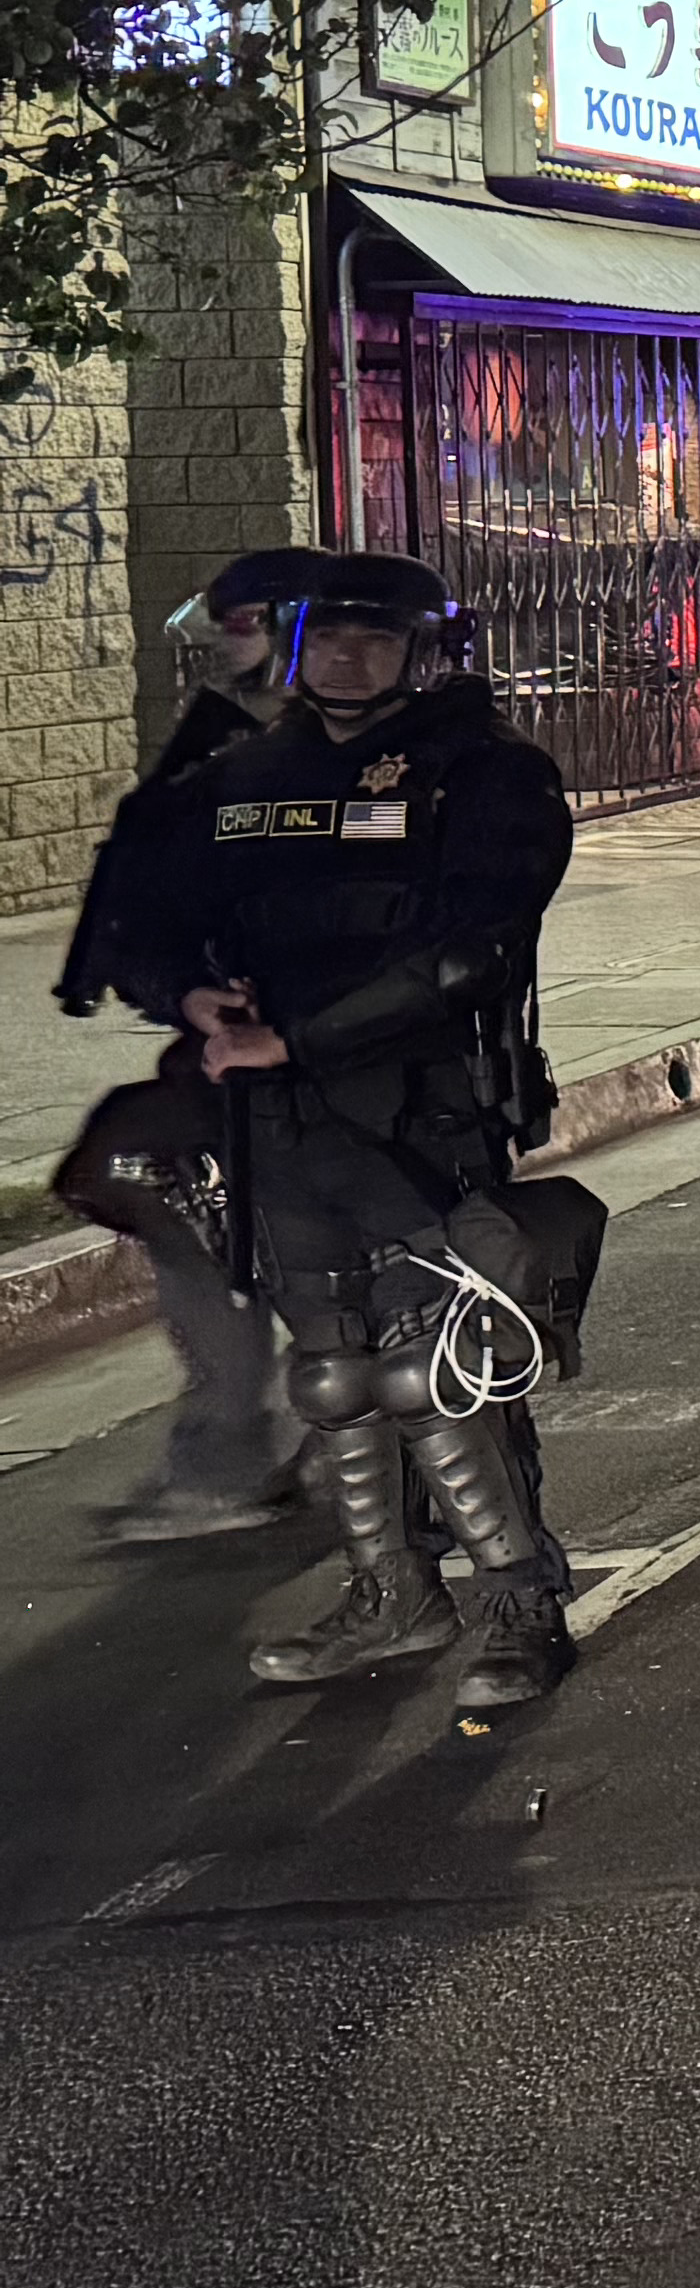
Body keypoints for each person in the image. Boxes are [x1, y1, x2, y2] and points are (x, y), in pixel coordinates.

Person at [89, 553, 581, 1700]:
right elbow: (152, 920)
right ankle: (390, 1595)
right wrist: (189, 996)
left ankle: (521, 1602)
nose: (348, 657)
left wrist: (302, 1040)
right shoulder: (245, 772)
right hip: (275, 1121)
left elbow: (476, 948)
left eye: (377, 637)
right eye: (328, 636)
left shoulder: (485, 773)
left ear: (422, 649)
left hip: (423, 1112)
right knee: (330, 1373)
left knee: (437, 1372)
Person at [47, 551, 324, 1544]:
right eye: (226, 622)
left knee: (347, 1268)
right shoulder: (211, 751)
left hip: (364, 1053)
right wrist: (189, 993)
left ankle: (370, 1440)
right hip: (227, 1059)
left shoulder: (410, 744)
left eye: (249, 619)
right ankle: (224, 1458)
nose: (231, 641)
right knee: (194, 1221)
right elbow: (140, 913)